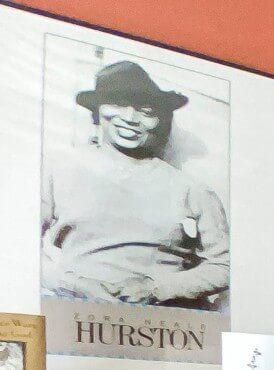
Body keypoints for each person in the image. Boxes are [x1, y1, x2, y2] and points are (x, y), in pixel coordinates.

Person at [41, 60, 230, 312]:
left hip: (170, 326)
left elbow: (225, 265)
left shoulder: (191, 189)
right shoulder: (58, 170)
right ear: (97, 110)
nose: (130, 119)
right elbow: (16, 249)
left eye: (146, 111)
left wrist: (157, 288)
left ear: (161, 120)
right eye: (117, 105)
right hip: (75, 316)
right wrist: (74, 284)